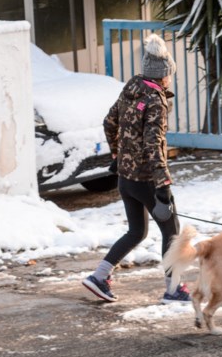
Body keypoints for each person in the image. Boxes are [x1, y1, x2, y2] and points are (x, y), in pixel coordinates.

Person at [82, 33, 191, 304]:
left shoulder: (131, 87)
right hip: (146, 179)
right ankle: (174, 289)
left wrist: (117, 153)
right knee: (171, 232)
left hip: (125, 177)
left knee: (136, 231)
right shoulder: (155, 99)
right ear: (163, 75)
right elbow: (154, 144)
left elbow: (110, 122)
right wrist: (163, 186)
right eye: (169, 75)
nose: (170, 80)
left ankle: (99, 276)